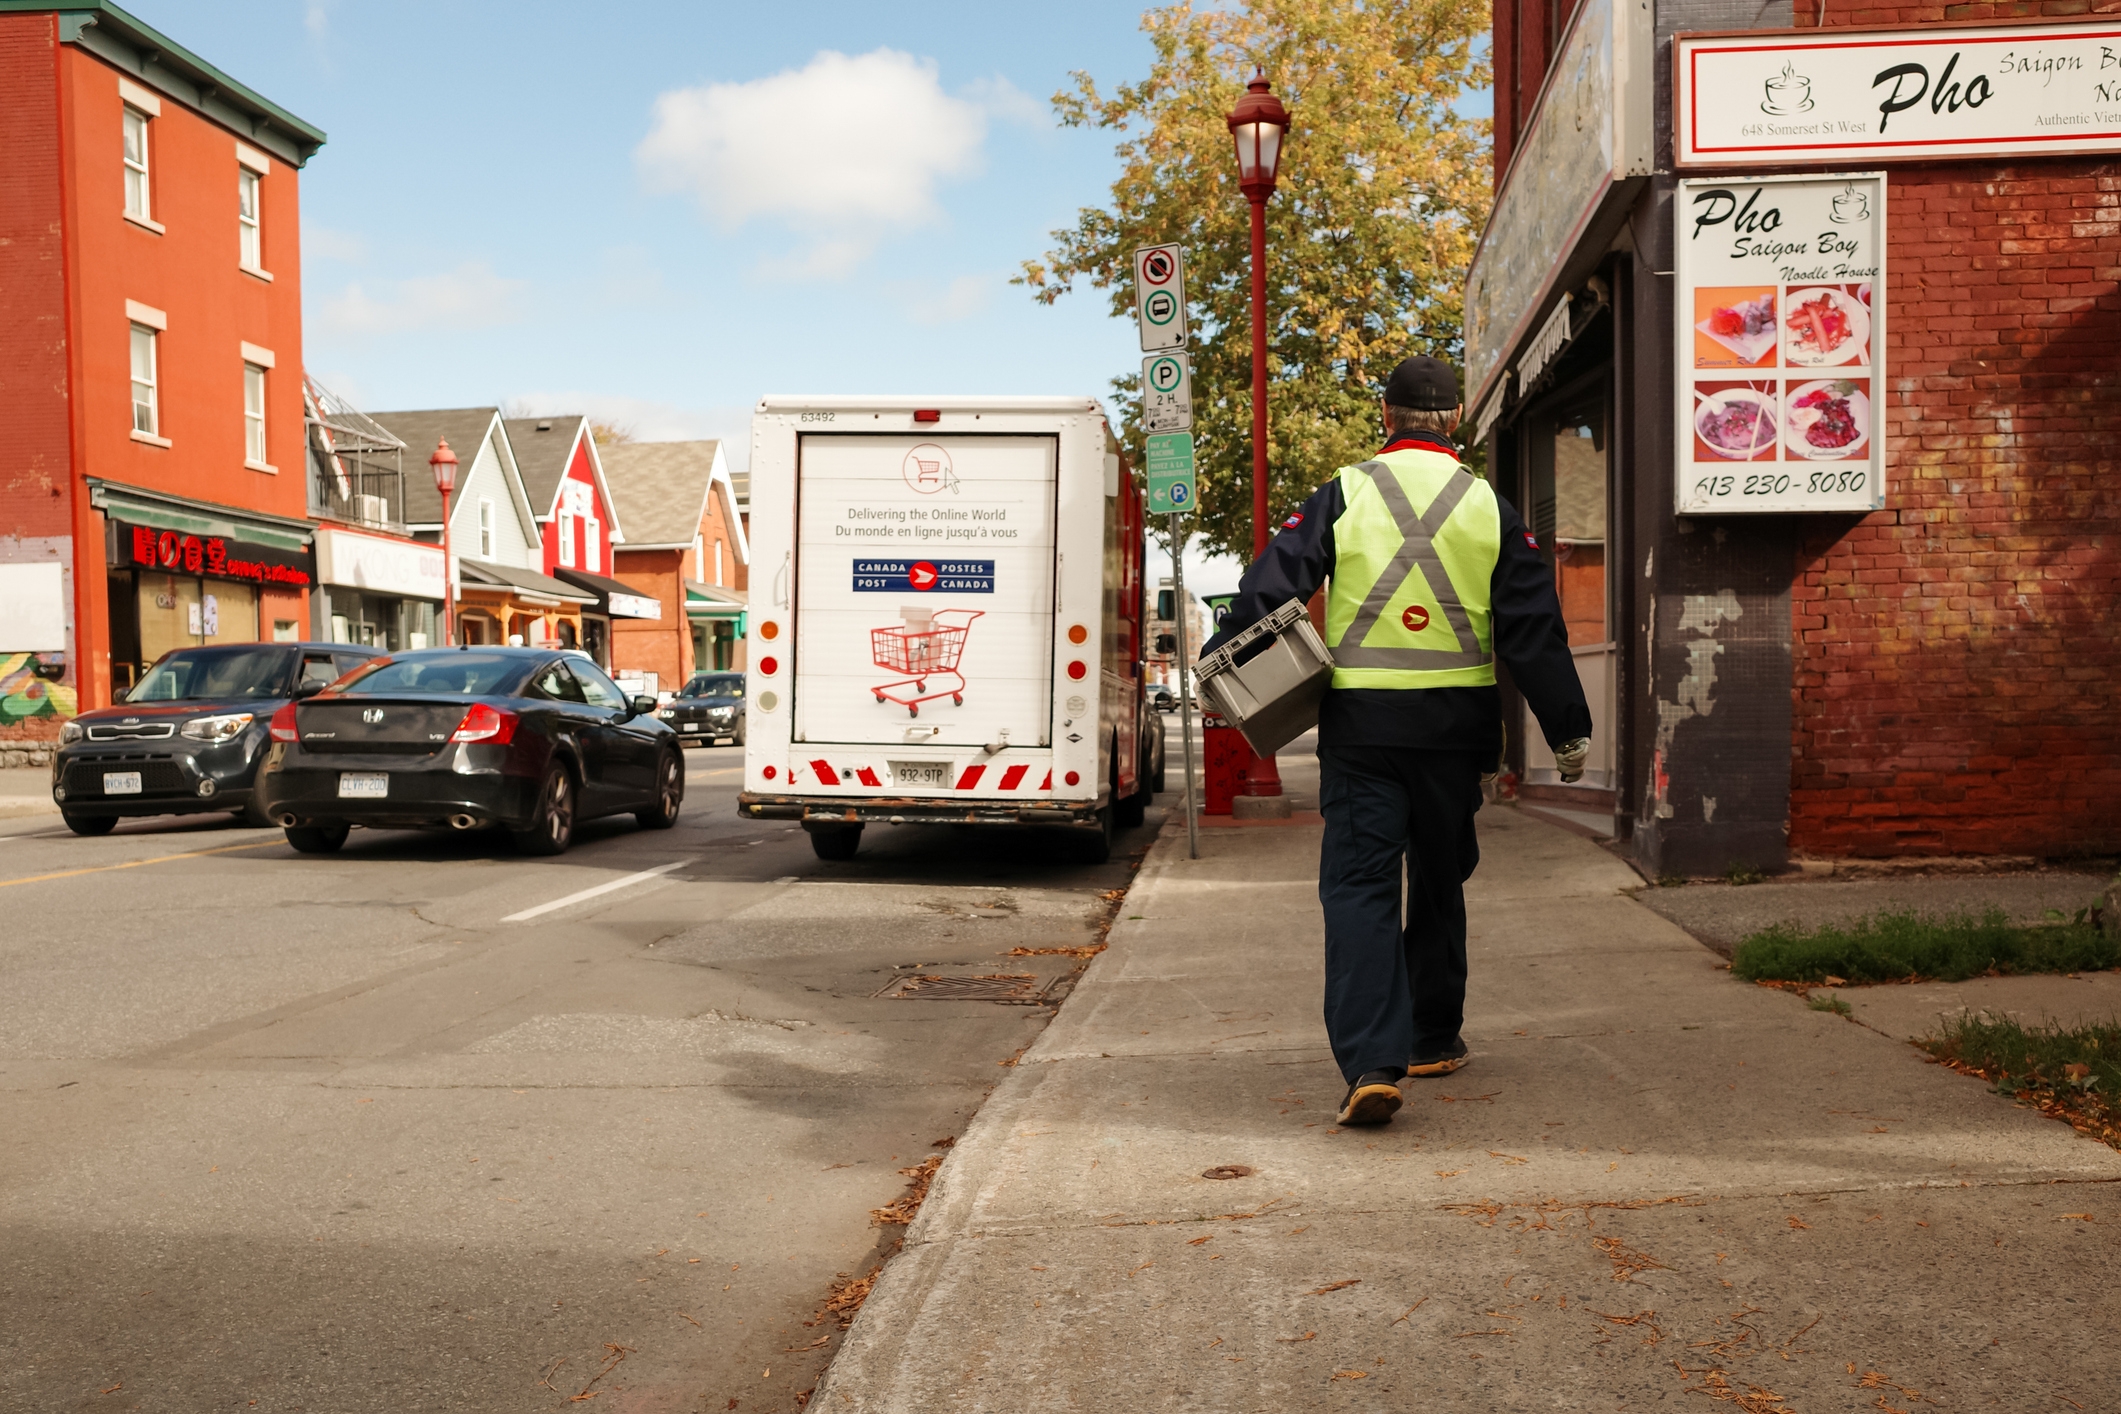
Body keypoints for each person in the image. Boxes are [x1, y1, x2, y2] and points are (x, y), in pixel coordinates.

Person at [1198, 355, 1591, 1127]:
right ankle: (1433, 1037)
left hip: (1364, 728)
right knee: (1440, 880)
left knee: (1358, 887)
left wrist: (1225, 664)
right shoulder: (1490, 506)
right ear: (1454, 421)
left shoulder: (1344, 493)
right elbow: (1531, 627)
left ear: (1386, 415)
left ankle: (1371, 1065)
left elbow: (1268, 588)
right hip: (1455, 731)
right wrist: (1567, 727)